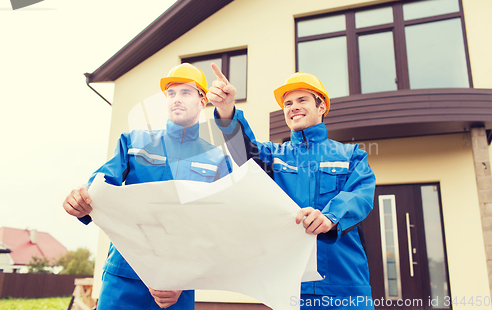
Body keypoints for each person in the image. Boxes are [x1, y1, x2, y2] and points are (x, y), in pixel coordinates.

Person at [63, 63, 232, 310]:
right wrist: (81, 200)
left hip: (178, 287)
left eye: (186, 92)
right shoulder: (133, 142)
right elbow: (101, 186)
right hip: (123, 277)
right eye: (171, 93)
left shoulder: (217, 160)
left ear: (202, 101)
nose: (176, 99)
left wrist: (183, 278)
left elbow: (220, 226)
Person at [208, 63, 376, 309]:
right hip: (292, 287)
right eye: (287, 103)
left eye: (302, 100)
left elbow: (360, 194)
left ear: (322, 107)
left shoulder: (351, 155)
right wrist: (227, 111)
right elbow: (244, 152)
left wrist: (330, 217)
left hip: (345, 286)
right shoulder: (274, 156)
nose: (294, 107)